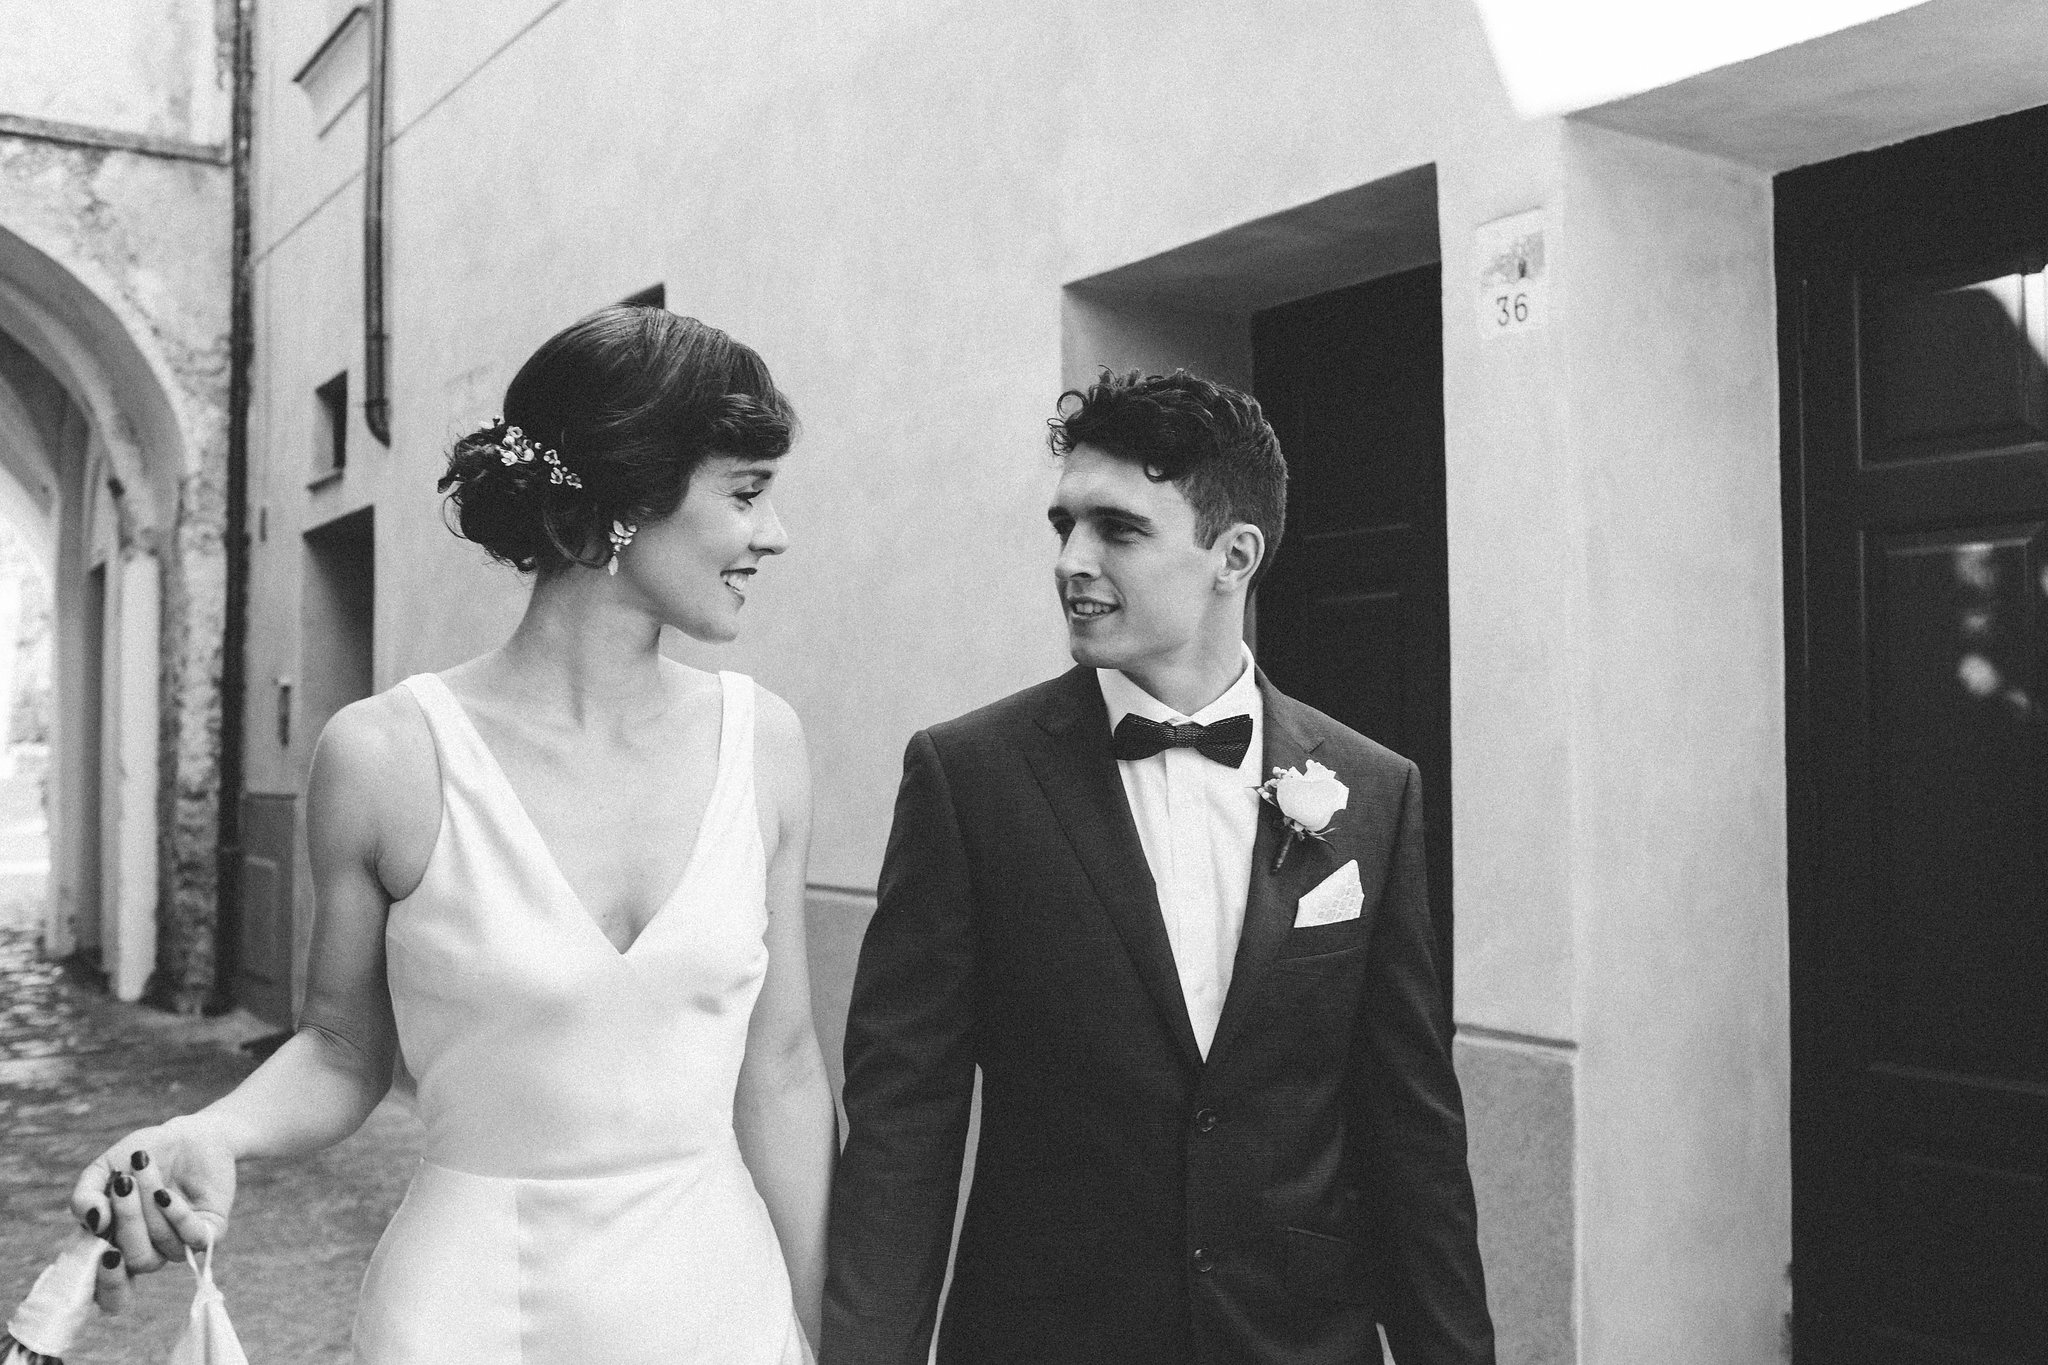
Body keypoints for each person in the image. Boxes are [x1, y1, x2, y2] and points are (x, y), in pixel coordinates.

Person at [67, 306, 835, 1364]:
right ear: (622, 507)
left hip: (720, 1303)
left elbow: (783, 1068)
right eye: (745, 494)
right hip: (471, 1315)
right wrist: (216, 1131)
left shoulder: (765, 744)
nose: (773, 533)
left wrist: (823, 1323)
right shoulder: (386, 757)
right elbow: (341, 1052)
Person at [824, 369, 1494, 1363]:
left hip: (1296, 1339)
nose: (1070, 560)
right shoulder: (968, 780)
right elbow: (902, 1120)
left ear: (1233, 555)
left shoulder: (1370, 790)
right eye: (1063, 525)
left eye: (1117, 529)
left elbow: (1408, 1132)